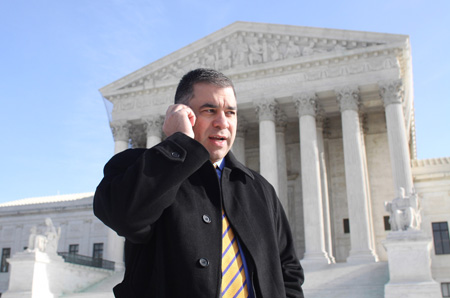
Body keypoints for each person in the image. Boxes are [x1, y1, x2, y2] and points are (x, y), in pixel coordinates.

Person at [93, 68, 304, 297]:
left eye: (230, 112)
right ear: (182, 114)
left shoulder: (259, 189)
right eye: (209, 110)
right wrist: (178, 145)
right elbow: (124, 216)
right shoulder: (142, 169)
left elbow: (287, 269)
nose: (222, 122)